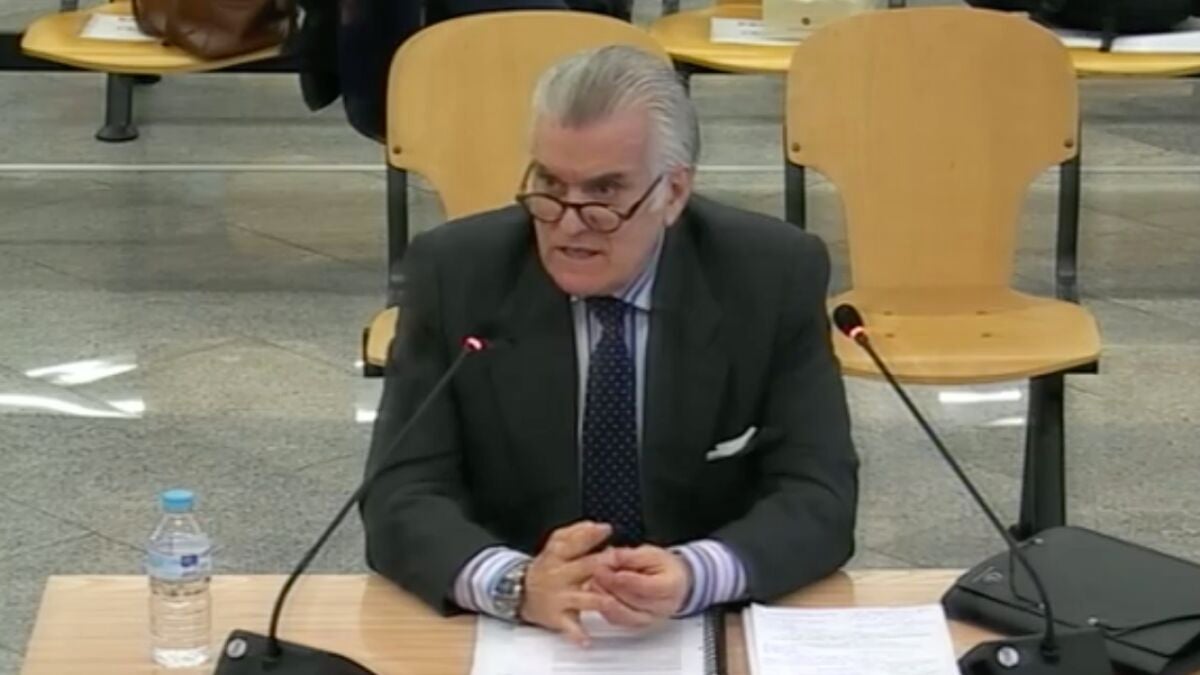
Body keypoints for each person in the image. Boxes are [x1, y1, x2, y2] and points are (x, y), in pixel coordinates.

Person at [361, 45, 858, 644]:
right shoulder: (456, 273)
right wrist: (516, 584)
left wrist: (697, 573)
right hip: (515, 628)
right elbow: (399, 493)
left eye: (604, 193)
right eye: (549, 184)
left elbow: (819, 493)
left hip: (701, 623)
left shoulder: (771, 275)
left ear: (674, 193)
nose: (569, 223)